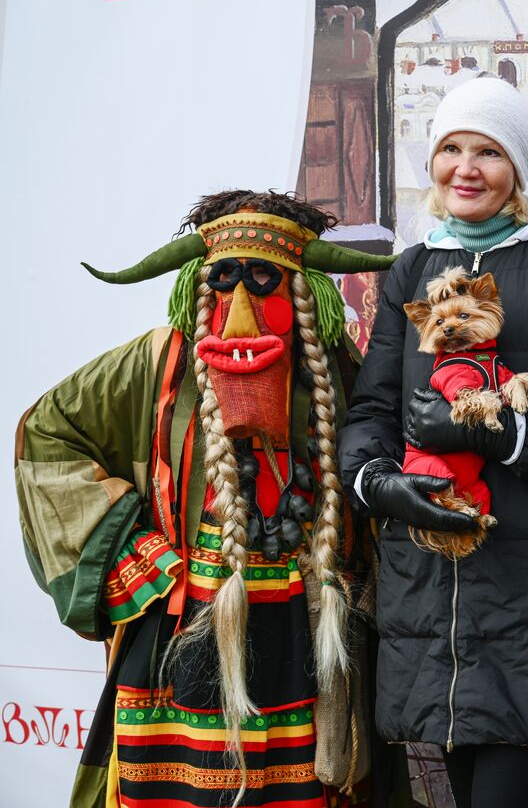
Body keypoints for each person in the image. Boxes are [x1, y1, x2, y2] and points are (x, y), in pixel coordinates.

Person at [16, 191, 396, 804]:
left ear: (301, 290)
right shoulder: (157, 362)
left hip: (306, 637)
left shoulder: (335, 367)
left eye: (262, 278)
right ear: (200, 283)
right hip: (183, 629)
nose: (240, 303)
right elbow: (47, 434)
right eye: (223, 278)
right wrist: (135, 560)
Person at [339, 76, 528, 807]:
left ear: (518, 168)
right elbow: (374, 405)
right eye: (450, 148)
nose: (465, 167)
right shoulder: (413, 267)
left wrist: (503, 431)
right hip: (433, 584)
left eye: (488, 151)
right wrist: (377, 481)